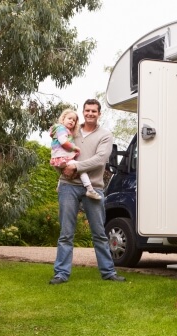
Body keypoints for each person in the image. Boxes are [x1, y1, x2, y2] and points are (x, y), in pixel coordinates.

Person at [49, 99, 126, 284]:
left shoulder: (105, 135)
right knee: (66, 233)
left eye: (94, 111)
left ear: (99, 114)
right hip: (68, 186)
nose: (90, 113)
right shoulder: (71, 130)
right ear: (83, 112)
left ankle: (108, 272)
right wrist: (63, 169)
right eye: (87, 110)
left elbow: (100, 160)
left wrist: (76, 166)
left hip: (94, 187)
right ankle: (61, 273)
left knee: (99, 232)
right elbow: (58, 151)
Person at [49, 109, 101, 200]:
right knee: (80, 168)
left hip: (57, 158)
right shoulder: (61, 128)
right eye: (69, 118)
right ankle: (90, 189)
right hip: (62, 158)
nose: (71, 121)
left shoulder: (62, 130)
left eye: (74, 120)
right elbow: (63, 142)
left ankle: (59, 186)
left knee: (64, 171)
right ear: (63, 119)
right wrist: (74, 148)